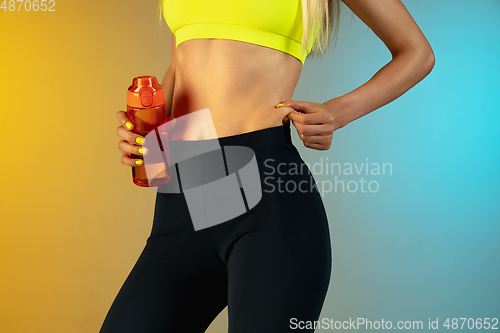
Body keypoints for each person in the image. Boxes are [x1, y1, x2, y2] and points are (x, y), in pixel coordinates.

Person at [101, 0, 434, 332]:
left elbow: (417, 53)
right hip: (185, 190)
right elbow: (180, 65)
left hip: (267, 193)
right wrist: (150, 132)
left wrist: (338, 112)